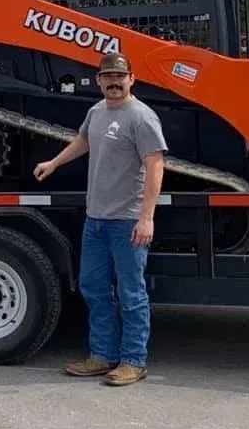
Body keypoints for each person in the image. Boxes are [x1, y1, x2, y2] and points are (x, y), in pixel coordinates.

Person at [34, 51, 167, 386]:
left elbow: (155, 165)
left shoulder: (141, 117)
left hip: (127, 221)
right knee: (94, 288)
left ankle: (133, 361)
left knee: (131, 293)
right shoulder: (96, 112)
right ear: (98, 81)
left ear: (131, 79)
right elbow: (83, 141)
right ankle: (102, 356)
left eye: (119, 77)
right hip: (96, 220)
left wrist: (146, 218)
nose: (114, 82)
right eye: (107, 77)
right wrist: (54, 163)